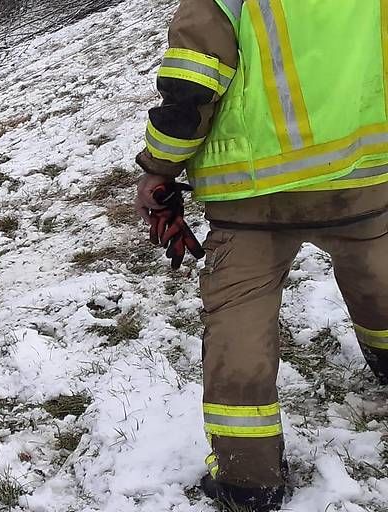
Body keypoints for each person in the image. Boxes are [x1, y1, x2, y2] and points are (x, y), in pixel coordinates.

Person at [135, 1, 388, 510]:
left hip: (252, 188)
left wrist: (158, 167)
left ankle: (248, 480)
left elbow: (191, 86)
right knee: (377, 271)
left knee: (239, 318)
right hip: (364, 166)